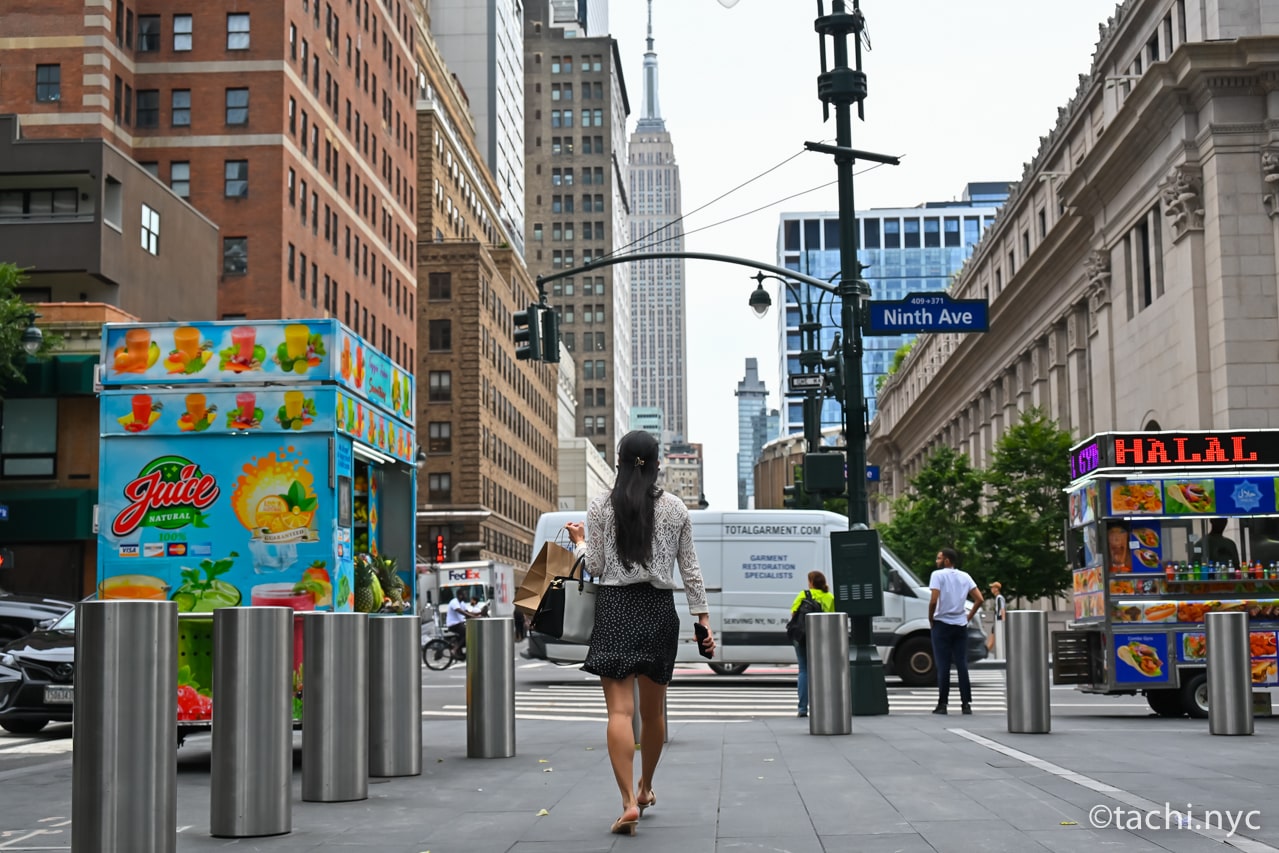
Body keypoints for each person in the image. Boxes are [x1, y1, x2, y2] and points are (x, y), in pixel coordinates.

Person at [564, 430, 713, 837]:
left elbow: (593, 564)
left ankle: (628, 800)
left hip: (615, 610)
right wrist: (703, 620)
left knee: (619, 713)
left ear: (620, 462)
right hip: (658, 610)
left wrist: (578, 543)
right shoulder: (676, 508)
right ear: (658, 463)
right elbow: (691, 570)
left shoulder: (599, 508)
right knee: (653, 712)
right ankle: (647, 787)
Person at [928, 548, 983, 715]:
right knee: (961, 664)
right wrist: (968, 616)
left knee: (943, 665)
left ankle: (942, 704)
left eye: (938, 558)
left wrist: (931, 618)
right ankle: (966, 704)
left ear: (946, 560)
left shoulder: (937, 575)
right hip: (960, 625)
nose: (936, 561)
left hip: (942, 624)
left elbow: (933, 600)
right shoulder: (965, 576)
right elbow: (979, 599)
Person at [790, 571, 834, 718]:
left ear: (811, 582)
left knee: (804, 670)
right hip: (821, 638)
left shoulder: (803, 595)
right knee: (822, 671)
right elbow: (832, 617)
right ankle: (822, 707)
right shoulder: (829, 597)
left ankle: (803, 708)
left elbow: (793, 614)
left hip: (801, 637)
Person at [444, 588, 476, 656]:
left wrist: (479, 615)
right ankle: (455, 649)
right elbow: (460, 611)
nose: (466, 596)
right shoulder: (454, 602)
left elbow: (468, 612)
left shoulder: (462, 603)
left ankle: (459, 651)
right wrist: (472, 616)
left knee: (467, 634)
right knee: (467, 634)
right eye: (465, 594)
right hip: (453, 624)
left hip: (459, 623)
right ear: (460, 595)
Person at [986, 581, 1006, 658]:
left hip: (999, 621)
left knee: (992, 641)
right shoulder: (998, 598)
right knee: (992, 640)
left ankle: (984, 655)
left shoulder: (999, 598)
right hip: (997, 621)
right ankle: (985, 654)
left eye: (992, 587)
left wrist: (1003, 621)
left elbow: (1002, 609)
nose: (991, 589)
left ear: (996, 589)